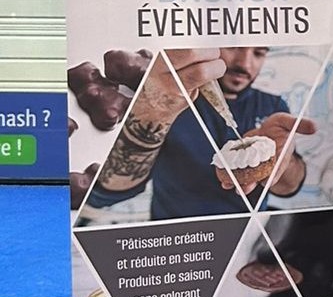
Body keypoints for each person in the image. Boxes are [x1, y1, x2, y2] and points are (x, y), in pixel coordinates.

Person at [88, 46, 311, 220]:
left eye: (259, 53)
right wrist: (152, 114)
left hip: (247, 239)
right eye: (234, 48)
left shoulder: (272, 105)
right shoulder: (170, 99)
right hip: (179, 242)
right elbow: (105, 194)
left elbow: (288, 187)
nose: (245, 63)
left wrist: (280, 158)